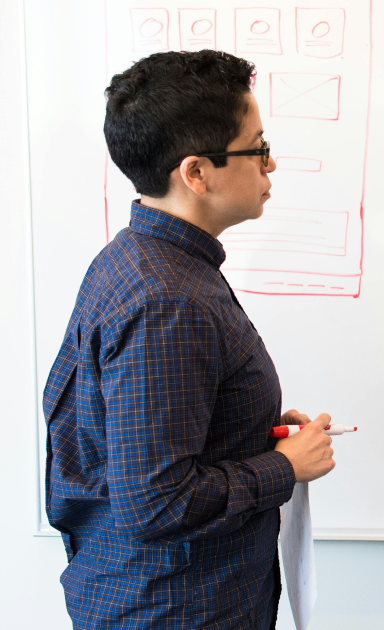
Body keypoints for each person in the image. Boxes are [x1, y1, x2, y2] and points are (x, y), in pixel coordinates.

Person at [42, 50, 337, 629]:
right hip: (175, 610)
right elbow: (155, 502)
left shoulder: (147, 263)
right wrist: (284, 467)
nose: (270, 165)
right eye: (258, 148)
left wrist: (259, 436)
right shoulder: (167, 302)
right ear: (196, 173)